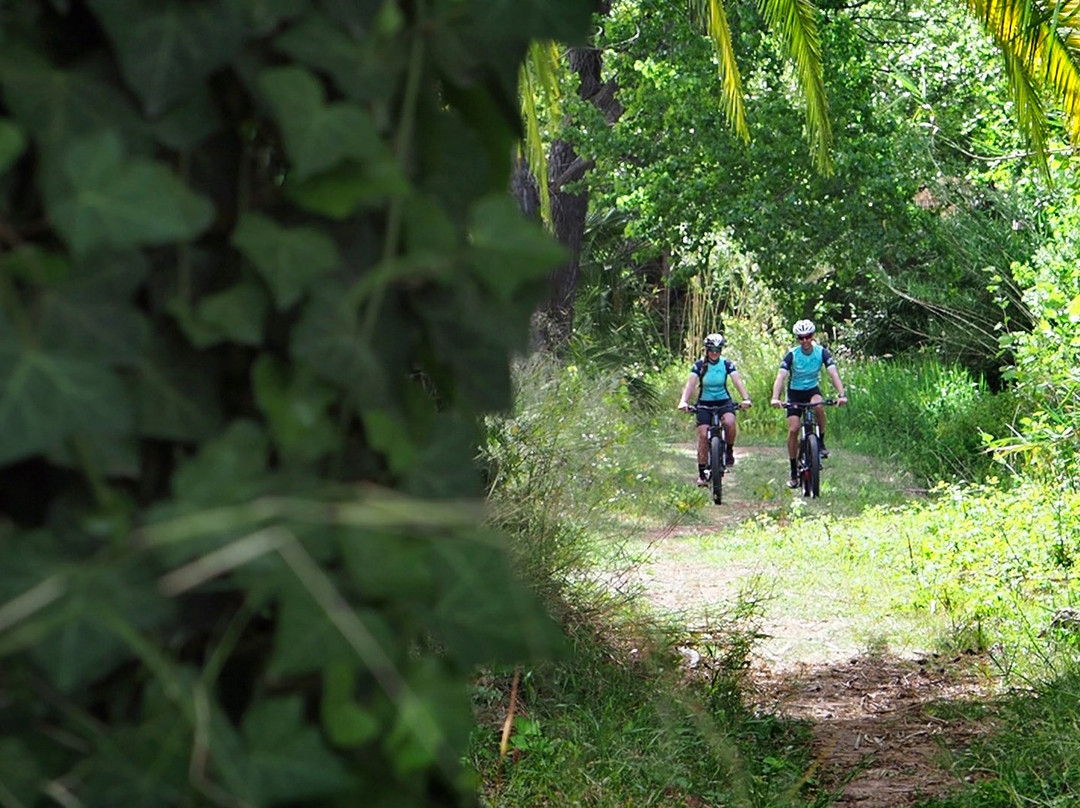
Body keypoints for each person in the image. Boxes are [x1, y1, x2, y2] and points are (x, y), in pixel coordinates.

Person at [770, 319, 847, 488]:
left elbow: (833, 373)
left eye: (808, 337)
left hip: (812, 390)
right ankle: (793, 471)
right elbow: (781, 376)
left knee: (818, 405)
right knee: (794, 429)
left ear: (813, 336)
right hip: (795, 393)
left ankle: (820, 441)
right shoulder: (792, 354)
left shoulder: (821, 352)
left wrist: (842, 395)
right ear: (798, 338)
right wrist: (775, 398)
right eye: (801, 338)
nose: (805, 341)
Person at [677, 333, 751, 486]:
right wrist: (683, 401)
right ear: (706, 350)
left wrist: (745, 398)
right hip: (704, 403)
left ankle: (729, 450)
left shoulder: (726, 364)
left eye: (718, 350)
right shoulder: (699, 365)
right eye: (711, 349)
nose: (715, 353)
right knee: (703, 435)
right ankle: (702, 473)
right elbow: (690, 384)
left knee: (730, 422)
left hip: (723, 401)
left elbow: (737, 381)